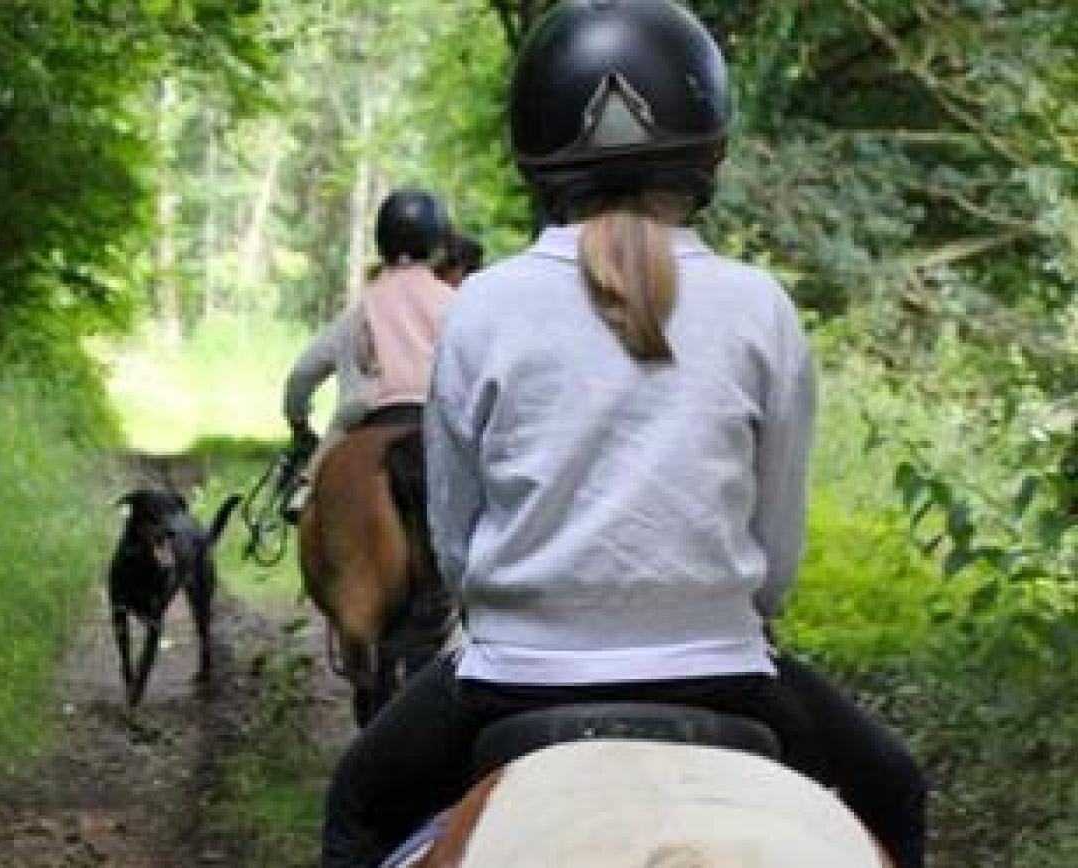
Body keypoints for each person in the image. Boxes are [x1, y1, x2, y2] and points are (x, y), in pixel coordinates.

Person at [320, 2, 927, 868]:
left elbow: (457, 552)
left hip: (510, 682)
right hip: (726, 671)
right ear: (704, 144)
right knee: (897, 793)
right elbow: (777, 560)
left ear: (538, 147)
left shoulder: (485, 303)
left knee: (356, 810)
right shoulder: (760, 306)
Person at [278, 188, 457, 516]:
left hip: (369, 408)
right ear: (437, 243)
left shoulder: (362, 307)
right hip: (439, 413)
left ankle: (304, 488)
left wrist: (298, 420)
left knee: (338, 431)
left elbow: (303, 372)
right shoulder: (454, 302)